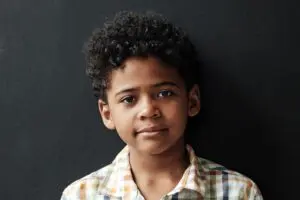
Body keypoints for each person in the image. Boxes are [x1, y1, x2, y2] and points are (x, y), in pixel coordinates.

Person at [61, 11, 263, 200]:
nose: (148, 110)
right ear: (107, 114)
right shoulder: (81, 195)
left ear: (192, 101)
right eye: (129, 99)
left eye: (165, 93)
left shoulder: (238, 192)